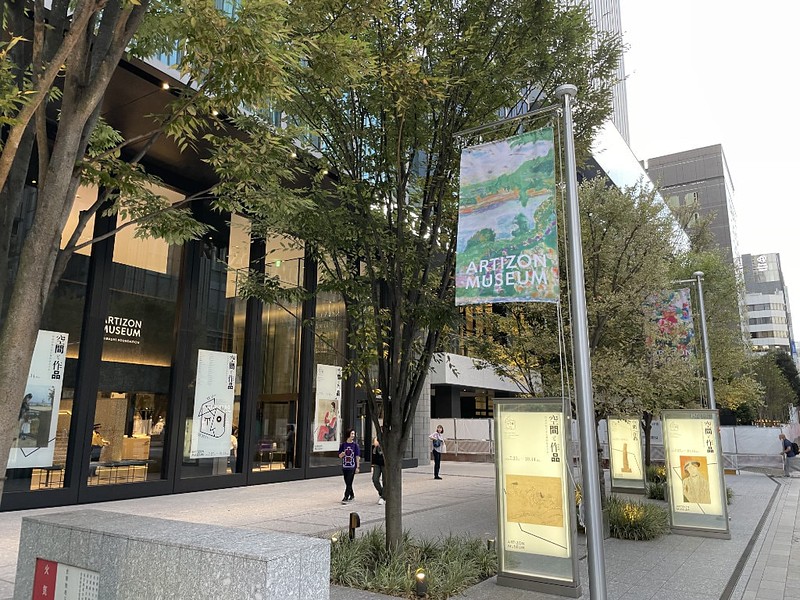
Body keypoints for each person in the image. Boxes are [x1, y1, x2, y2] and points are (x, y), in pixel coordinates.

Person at [338, 428, 360, 504]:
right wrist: (342, 454)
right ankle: (352, 494)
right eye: (352, 434)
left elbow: (357, 456)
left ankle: (346, 497)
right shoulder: (343, 445)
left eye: (354, 434)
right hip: (345, 466)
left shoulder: (355, 445)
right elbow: (339, 455)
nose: (353, 435)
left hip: (352, 466)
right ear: (348, 434)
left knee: (349, 482)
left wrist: (357, 467)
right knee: (347, 482)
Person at [371, 437, 385, 505]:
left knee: (385, 481)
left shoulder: (386, 439)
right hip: (377, 463)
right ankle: (382, 492)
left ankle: (383, 497)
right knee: (375, 479)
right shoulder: (376, 439)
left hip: (385, 464)